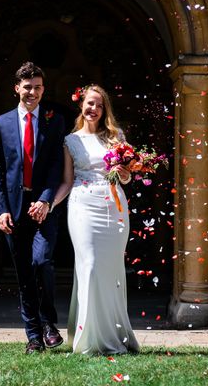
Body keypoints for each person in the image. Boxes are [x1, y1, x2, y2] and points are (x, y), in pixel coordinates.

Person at [53, 84, 139, 354]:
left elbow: (126, 178)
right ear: (81, 104)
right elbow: (67, 182)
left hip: (113, 206)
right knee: (89, 266)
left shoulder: (116, 137)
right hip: (82, 205)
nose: (94, 109)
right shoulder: (70, 141)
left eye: (99, 105)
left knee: (111, 270)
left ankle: (114, 335)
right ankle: (87, 339)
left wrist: (125, 170)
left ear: (105, 110)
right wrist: (48, 204)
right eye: (90, 103)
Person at [0, 62, 65, 354]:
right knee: (23, 273)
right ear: (17, 88)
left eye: (38, 87)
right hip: (14, 209)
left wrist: (46, 200)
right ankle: (33, 335)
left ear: (43, 89)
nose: (32, 92)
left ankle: (48, 323)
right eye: (27, 87)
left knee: (41, 261)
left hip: (44, 207)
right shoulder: (0, 123)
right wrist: (1, 210)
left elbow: (57, 165)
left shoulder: (54, 120)